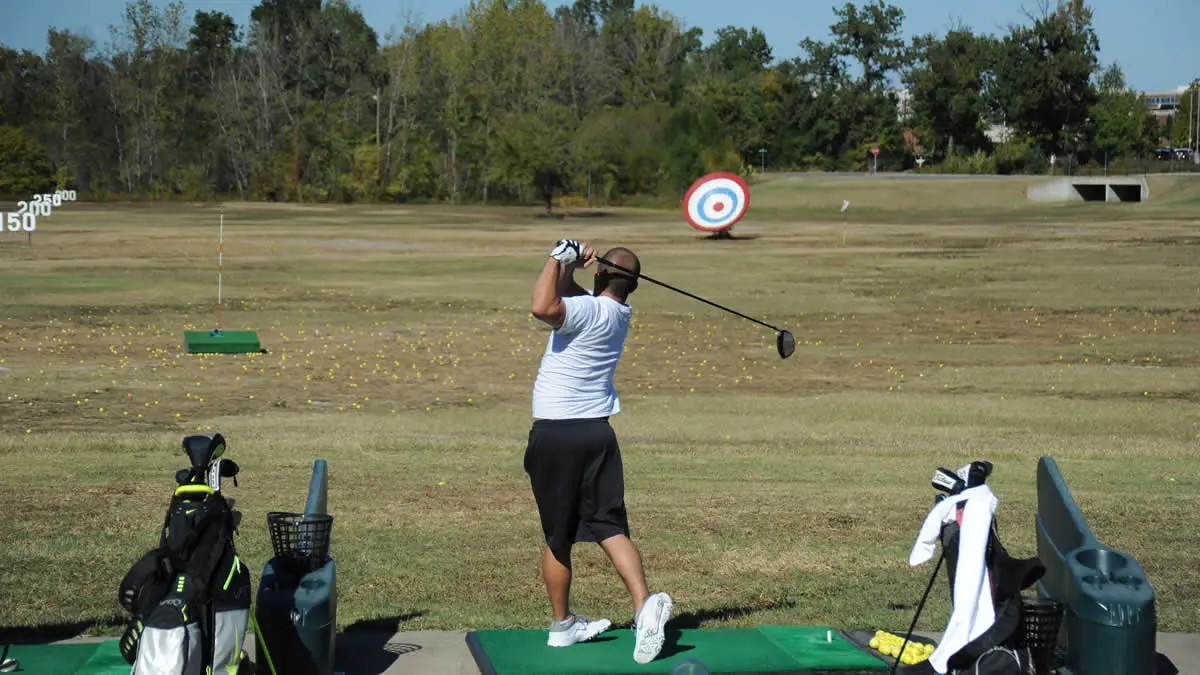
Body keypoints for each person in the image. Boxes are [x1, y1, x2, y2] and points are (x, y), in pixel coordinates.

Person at [525, 238, 673, 665]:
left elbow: (543, 306)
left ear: (601, 273)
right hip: (596, 434)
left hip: (556, 437)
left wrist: (556, 258)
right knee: (609, 525)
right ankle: (639, 607)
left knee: (558, 538)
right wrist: (571, 268)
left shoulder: (589, 310)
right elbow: (570, 299)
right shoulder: (617, 313)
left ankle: (562, 623)